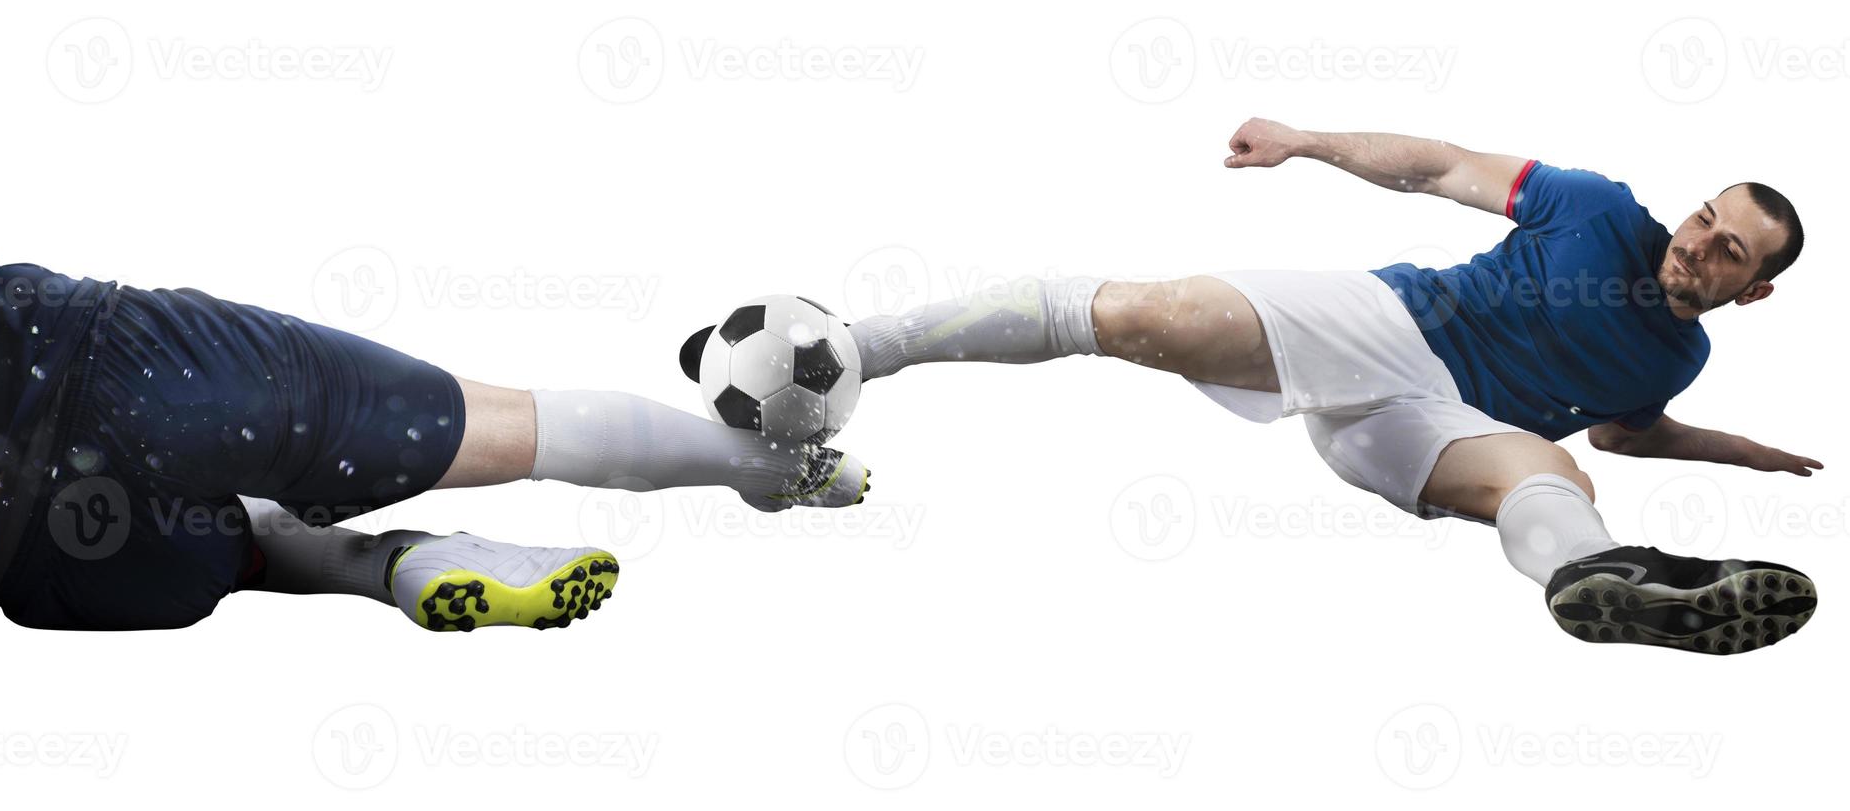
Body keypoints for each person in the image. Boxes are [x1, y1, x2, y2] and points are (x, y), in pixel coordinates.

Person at [750, 118, 1820, 655]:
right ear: (1685, 210)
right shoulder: (1591, 207)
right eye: (1703, 221)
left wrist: (1746, 451)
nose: (1699, 249)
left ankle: (1609, 585)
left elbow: (1631, 435)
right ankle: (861, 345)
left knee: (1552, 473)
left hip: (1439, 428)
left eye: (1730, 254)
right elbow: (1439, 167)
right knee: (1139, 317)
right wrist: (1305, 141)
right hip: (1394, 323)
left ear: (1753, 290)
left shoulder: (1675, 361)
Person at [0, 191, 869, 632]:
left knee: (245, 552)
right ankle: (772, 468)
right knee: (509, 426)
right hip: (128, 370)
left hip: (43, 564)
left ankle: (385, 565)